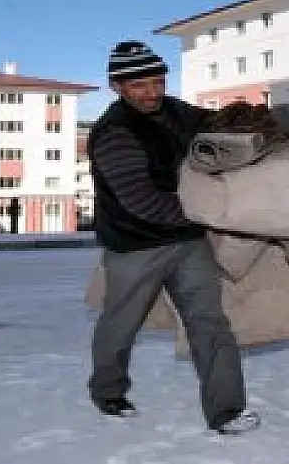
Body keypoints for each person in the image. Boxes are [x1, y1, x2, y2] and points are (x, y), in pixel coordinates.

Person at [86, 40, 260, 435]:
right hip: (135, 244)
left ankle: (227, 410)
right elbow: (141, 201)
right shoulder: (114, 133)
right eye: (139, 86)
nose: (151, 93)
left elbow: (218, 127)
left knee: (209, 322)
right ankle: (108, 389)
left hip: (188, 240)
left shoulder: (179, 112)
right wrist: (209, 211)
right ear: (117, 86)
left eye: (157, 82)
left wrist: (251, 120)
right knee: (121, 322)